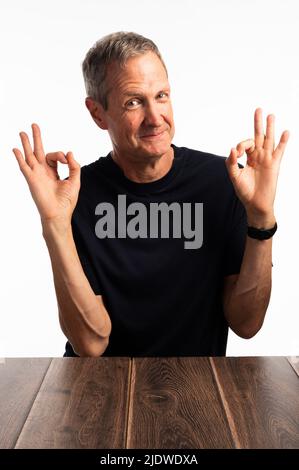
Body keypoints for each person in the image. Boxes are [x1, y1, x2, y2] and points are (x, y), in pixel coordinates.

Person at [12, 32, 289, 357]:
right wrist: (54, 224)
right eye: (133, 101)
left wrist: (260, 219)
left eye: (161, 95)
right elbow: (91, 344)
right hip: (101, 390)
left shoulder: (224, 181)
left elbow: (247, 323)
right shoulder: (74, 195)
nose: (155, 118)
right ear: (97, 113)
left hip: (196, 389)